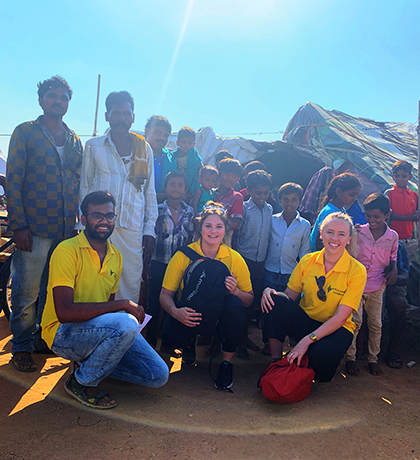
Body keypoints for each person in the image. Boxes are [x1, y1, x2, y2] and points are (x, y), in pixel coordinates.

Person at [41, 191, 168, 409]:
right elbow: (64, 312)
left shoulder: (115, 255)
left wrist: (129, 328)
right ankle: (81, 381)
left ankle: (89, 364)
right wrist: (122, 305)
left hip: (93, 332)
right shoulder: (67, 250)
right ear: (83, 220)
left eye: (109, 216)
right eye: (97, 216)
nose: (104, 222)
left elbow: (107, 311)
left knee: (157, 375)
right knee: (125, 321)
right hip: (62, 333)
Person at [6, 76, 83, 372]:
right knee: (25, 292)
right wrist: (19, 226)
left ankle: (42, 338)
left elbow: (77, 182)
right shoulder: (25, 133)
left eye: (64, 97)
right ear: (41, 100)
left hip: (65, 229)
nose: (58, 101)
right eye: (53, 96)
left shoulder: (75, 139)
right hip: (34, 227)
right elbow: (13, 181)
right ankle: (22, 347)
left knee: (51, 291)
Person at [262, 212, 367, 383]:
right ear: (321, 234)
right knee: (275, 301)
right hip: (307, 320)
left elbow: (341, 317)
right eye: (330, 232)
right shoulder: (307, 261)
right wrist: (269, 292)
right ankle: (276, 361)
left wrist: (306, 341)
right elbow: (288, 297)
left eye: (341, 234)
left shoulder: (357, 270)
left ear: (349, 239)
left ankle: (310, 359)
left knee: (321, 373)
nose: (334, 238)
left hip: (336, 329)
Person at [159, 203, 253, 390]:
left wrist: (235, 291)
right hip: (189, 313)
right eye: (208, 226)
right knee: (170, 331)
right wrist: (176, 312)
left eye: (219, 226)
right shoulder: (183, 255)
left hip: (218, 315)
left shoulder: (234, 258)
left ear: (226, 230)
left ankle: (226, 363)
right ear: (200, 229)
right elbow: (165, 295)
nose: (213, 231)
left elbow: (249, 299)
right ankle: (187, 343)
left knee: (234, 304)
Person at [79, 91, 157, 303]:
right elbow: (85, 187)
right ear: (107, 116)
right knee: (94, 276)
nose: (121, 118)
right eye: (116, 113)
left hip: (131, 227)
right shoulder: (94, 146)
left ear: (133, 117)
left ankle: (124, 330)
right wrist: (82, 224)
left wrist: (149, 230)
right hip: (98, 224)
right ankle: (95, 329)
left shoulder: (144, 148)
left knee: (128, 280)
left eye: (126, 113)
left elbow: (149, 192)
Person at [345, 193, 398, 376]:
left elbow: (393, 257)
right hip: (356, 285)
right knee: (355, 322)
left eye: (376, 216)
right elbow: (350, 256)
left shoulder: (392, 237)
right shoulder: (358, 232)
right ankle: (350, 358)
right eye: (369, 216)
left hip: (377, 286)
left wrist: (394, 269)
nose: (372, 220)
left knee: (376, 324)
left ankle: (372, 359)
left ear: (387, 215)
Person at [146, 171, 194, 349]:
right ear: (165, 188)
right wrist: (146, 265)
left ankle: (167, 343)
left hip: (178, 267)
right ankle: (150, 342)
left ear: (186, 189)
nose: (176, 188)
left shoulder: (189, 212)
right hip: (158, 263)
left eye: (180, 185)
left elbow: (190, 239)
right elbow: (149, 238)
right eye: (172, 184)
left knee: (172, 303)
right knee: (153, 304)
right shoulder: (157, 210)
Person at [262, 182, 311, 354]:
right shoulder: (272, 220)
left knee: (289, 308)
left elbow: (305, 252)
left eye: (293, 200)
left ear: (299, 201)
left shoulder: (304, 225)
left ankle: (290, 343)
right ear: (279, 200)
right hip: (271, 270)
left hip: (291, 273)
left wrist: (304, 275)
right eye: (285, 200)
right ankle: (268, 343)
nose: (289, 204)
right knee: (268, 308)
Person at [236, 170, 273, 359]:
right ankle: (237, 341)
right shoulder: (242, 208)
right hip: (244, 262)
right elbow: (236, 235)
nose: (262, 196)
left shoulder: (270, 210)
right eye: (259, 193)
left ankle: (244, 337)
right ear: (249, 190)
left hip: (260, 263)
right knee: (240, 303)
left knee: (251, 304)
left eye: (266, 193)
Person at [310, 173, 361, 251]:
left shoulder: (342, 210)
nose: (354, 199)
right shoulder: (330, 212)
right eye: (351, 195)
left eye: (356, 196)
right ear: (338, 191)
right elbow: (320, 243)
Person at [385, 160, 419, 261]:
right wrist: (407, 218)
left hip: (410, 239)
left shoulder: (414, 195)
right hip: (393, 238)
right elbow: (387, 214)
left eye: (403, 176)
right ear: (393, 176)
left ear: (410, 177)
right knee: (392, 264)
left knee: (406, 264)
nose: (400, 179)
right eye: (397, 175)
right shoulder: (389, 193)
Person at [384, 242, 410, 369]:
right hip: (365, 284)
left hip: (391, 286)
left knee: (398, 304)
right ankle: (357, 352)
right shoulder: (362, 239)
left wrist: (391, 280)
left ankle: (392, 351)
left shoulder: (398, 247)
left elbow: (405, 276)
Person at [144, 115, 177, 201]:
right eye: (158, 133)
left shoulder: (172, 159)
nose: (162, 138)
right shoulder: (136, 155)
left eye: (165, 135)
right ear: (147, 132)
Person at [214, 159, 244, 231]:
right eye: (227, 174)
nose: (230, 178)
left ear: (238, 179)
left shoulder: (237, 197)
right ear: (219, 174)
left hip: (224, 239)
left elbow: (235, 224)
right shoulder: (208, 193)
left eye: (234, 176)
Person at [173, 127, 203, 196]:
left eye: (189, 143)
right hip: (178, 184)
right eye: (183, 142)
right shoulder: (174, 156)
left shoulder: (195, 156)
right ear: (177, 143)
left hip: (192, 185)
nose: (186, 145)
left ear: (193, 144)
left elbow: (201, 168)